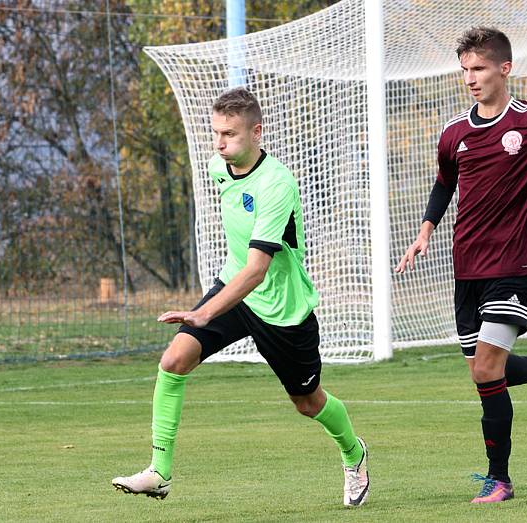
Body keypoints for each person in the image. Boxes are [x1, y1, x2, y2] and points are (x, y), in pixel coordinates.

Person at [395, 2, 527, 504]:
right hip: (465, 269)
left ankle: (500, 479)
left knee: (487, 371)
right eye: (465, 69)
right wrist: (426, 228)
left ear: (505, 68)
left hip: (513, 267)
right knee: (484, 371)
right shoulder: (454, 134)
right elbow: (444, 185)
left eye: (479, 68)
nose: (470, 78)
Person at [112, 87, 369, 507]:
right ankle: (159, 472)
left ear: (257, 133)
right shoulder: (218, 167)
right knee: (174, 360)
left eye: (229, 134)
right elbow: (241, 266)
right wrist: (211, 308)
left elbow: (257, 269)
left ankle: (354, 452)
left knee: (307, 402)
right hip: (235, 290)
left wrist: (204, 312)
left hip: (282, 308)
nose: (219, 143)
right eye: (216, 133)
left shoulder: (277, 183)